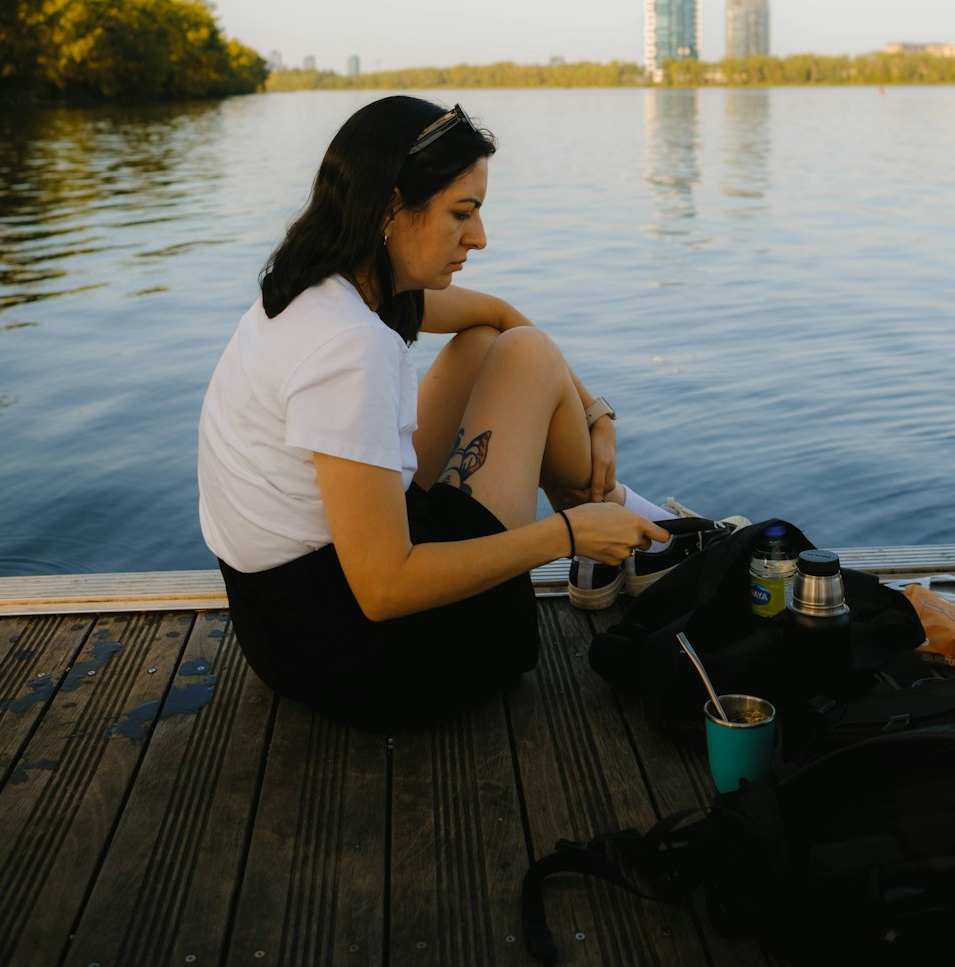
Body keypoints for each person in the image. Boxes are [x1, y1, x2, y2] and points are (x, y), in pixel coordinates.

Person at [198, 96, 683, 731]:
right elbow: (384, 588)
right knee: (529, 356)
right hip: (371, 654)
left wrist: (595, 410)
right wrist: (563, 537)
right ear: (391, 207)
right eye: (462, 214)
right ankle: (615, 523)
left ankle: (610, 512)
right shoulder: (349, 347)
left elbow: (500, 314)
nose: (479, 238)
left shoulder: (321, 286)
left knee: (490, 343)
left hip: (280, 628)